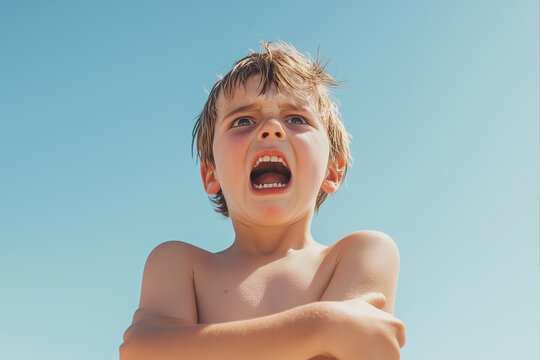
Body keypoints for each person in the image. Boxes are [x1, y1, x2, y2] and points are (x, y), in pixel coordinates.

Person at [119, 41, 406, 360]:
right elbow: (141, 351)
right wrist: (322, 326)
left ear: (332, 170)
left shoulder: (362, 253)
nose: (271, 129)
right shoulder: (179, 265)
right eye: (243, 121)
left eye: (296, 119)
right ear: (211, 174)